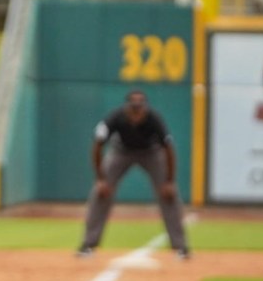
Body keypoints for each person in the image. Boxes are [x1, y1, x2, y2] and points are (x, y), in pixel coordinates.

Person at [76, 89, 190, 259]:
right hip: (121, 151)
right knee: (100, 193)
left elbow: (169, 149)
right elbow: (98, 145)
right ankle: (88, 244)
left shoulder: (154, 119)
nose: (137, 112)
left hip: (151, 152)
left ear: (145, 108)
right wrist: (100, 179)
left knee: (169, 195)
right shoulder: (116, 117)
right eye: (133, 108)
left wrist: (169, 181)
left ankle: (181, 247)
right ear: (127, 108)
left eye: (140, 108)